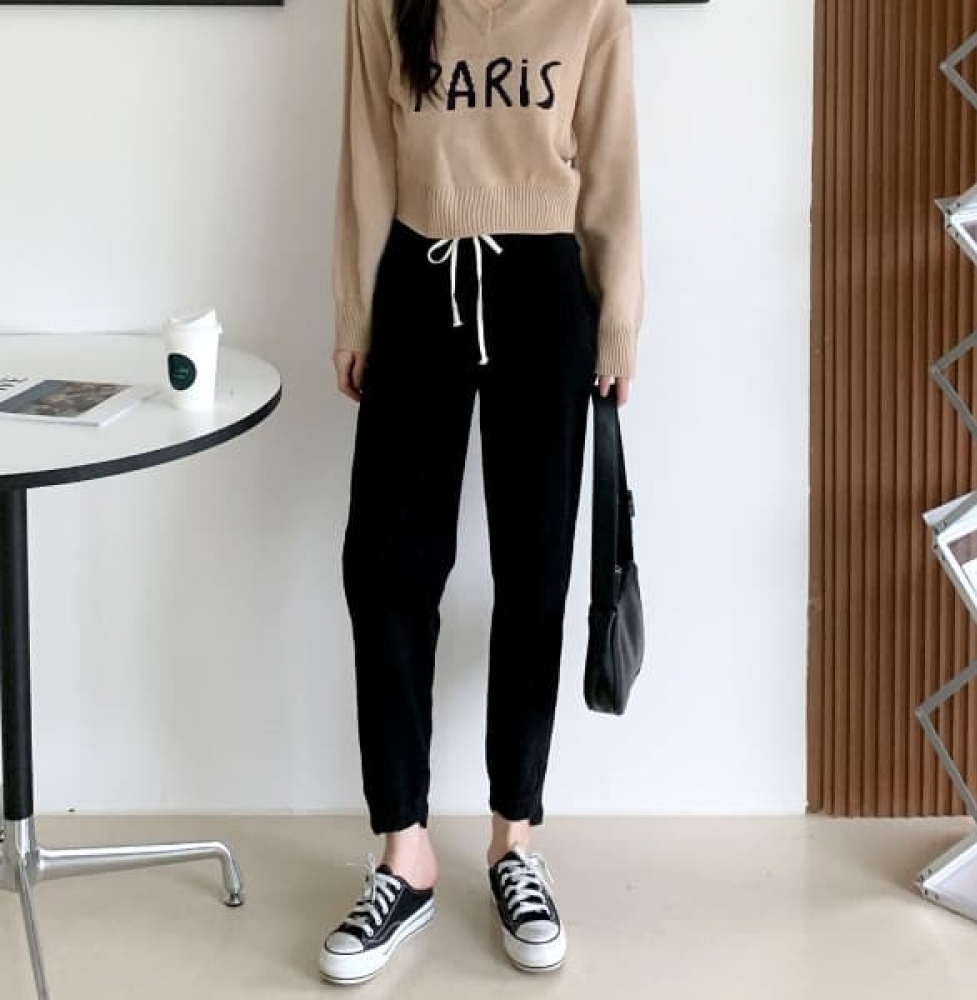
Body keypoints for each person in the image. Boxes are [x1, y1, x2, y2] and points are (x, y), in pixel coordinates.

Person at [321, 0, 643, 984]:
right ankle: (404, 854)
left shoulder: (591, 5)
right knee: (386, 572)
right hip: (418, 284)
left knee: (535, 573)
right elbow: (367, 160)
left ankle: (514, 840)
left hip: (545, 292)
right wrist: (356, 312)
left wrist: (618, 321)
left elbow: (612, 165)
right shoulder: (382, 3)